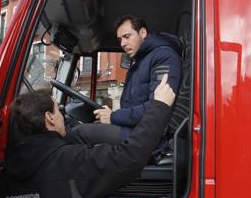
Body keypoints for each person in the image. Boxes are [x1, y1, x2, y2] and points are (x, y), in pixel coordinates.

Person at [0, 75, 176, 198]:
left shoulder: (6, 171)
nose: (63, 117)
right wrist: (159, 107)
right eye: (59, 111)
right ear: (49, 118)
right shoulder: (71, 162)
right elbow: (130, 156)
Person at [68, 15, 182, 145]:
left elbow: (157, 108)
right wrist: (112, 116)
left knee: (78, 133)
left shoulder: (164, 57)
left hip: (149, 136)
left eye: (127, 36)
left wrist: (113, 117)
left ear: (142, 33)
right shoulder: (141, 60)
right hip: (136, 130)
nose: (122, 44)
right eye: (120, 39)